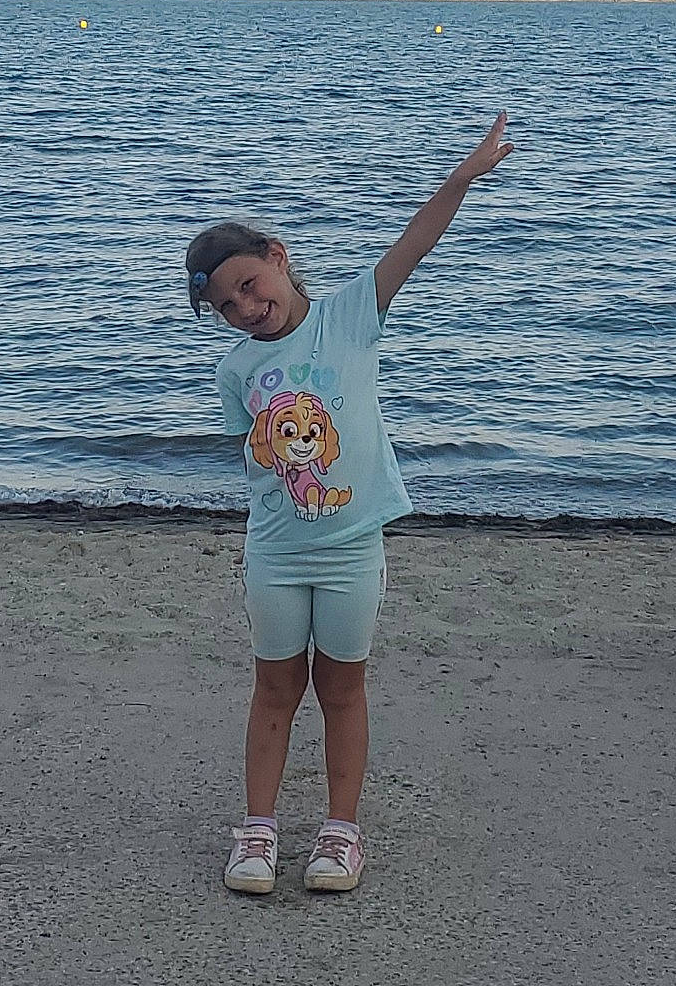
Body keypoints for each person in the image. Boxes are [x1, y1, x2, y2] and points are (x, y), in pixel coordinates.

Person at [184, 112, 515, 895]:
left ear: (278, 258)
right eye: (227, 307)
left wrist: (461, 178)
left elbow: (416, 242)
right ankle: (257, 830)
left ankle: (340, 832)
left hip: (351, 550)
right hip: (275, 552)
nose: (245, 309)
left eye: (249, 287)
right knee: (274, 689)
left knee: (342, 689)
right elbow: (255, 464)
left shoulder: (349, 315)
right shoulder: (235, 370)